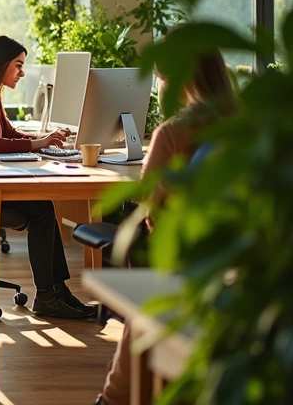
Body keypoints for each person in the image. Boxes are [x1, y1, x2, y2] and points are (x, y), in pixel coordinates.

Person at [96, 48, 236, 405]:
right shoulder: (249, 125)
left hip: (187, 266)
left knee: (147, 301)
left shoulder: (174, 132)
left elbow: (153, 211)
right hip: (240, 263)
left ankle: (113, 400)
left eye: (162, 77)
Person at [0, 35, 93, 320]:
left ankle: (57, 292)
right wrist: (37, 144)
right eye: (18, 66)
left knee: (43, 207)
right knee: (42, 210)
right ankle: (49, 295)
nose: (22, 73)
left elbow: (9, 134)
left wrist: (44, 140)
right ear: (0, 65)